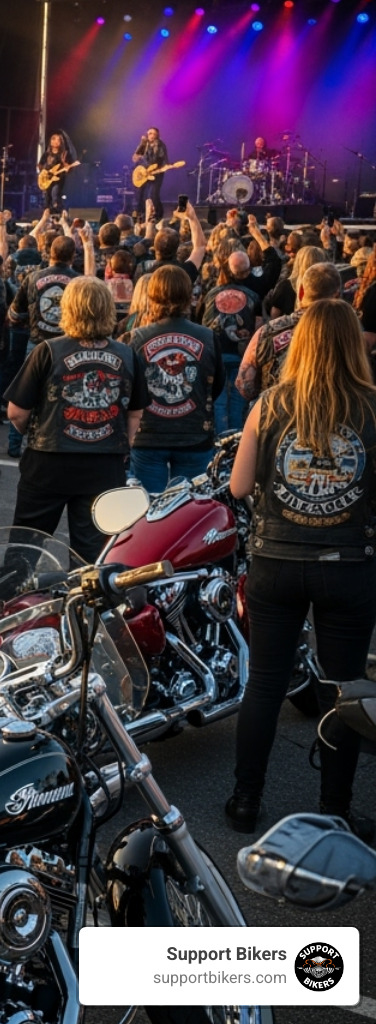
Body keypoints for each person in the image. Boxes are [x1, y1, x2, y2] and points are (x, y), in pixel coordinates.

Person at [226, 300, 376, 840]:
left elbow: (239, 487)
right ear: (352, 344)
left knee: (265, 683)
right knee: (344, 689)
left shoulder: (269, 404)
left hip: (276, 559)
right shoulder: (373, 406)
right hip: (348, 564)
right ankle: (334, 811)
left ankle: (246, 799)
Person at [6, 277, 149, 564]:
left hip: (48, 463)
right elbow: (135, 413)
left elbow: (16, 412)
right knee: (91, 560)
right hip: (103, 465)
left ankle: (9, 605)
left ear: (67, 308)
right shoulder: (127, 355)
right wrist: (118, 441)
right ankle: (85, 609)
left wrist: (35, 433)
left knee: (25, 548)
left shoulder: (46, 350)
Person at [125, 266, 222, 493]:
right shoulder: (208, 337)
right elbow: (215, 387)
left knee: (149, 512)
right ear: (188, 296)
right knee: (191, 510)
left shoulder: (135, 338)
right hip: (193, 434)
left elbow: (128, 390)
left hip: (149, 435)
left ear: (152, 296)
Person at [6, 235, 81, 457]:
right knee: (65, 394)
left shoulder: (32, 278)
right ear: (72, 256)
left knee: (25, 393)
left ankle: (13, 445)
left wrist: (29, 318)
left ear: (49, 253)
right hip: (68, 345)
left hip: (37, 342)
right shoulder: (78, 281)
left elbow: (14, 314)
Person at [236, 262, 344, 402]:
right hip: (331, 416)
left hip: (275, 415)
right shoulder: (347, 332)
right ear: (337, 296)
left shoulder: (268, 331)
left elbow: (244, 385)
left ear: (301, 292)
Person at [197, 250, 260, 434]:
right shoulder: (253, 296)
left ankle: (220, 442)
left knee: (218, 400)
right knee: (238, 400)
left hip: (214, 353)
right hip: (241, 354)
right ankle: (235, 440)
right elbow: (258, 328)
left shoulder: (211, 294)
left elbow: (200, 321)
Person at [132, 126, 170, 218]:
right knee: (140, 194)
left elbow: (164, 161)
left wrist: (162, 169)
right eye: (150, 133)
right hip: (143, 173)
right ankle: (141, 213)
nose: (152, 135)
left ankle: (158, 214)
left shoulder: (160, 145)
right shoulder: (144, 144)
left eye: (154, 134)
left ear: (157, 135)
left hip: (156, 173)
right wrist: (141, 144)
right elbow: (135, 158)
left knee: (153, 194)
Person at [40, 132, 77, 214]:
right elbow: (40, 164)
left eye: (58, 140)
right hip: (47, 179)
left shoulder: (64, 154)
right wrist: (44, 173)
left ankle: (58, 214)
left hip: (58, 179)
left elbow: (69, 168)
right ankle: (47, 214)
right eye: (53, 139)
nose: (55, 141)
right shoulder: (46, 154)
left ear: (61, 142)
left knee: (55, 196)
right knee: (47, 198)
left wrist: (66, 165)